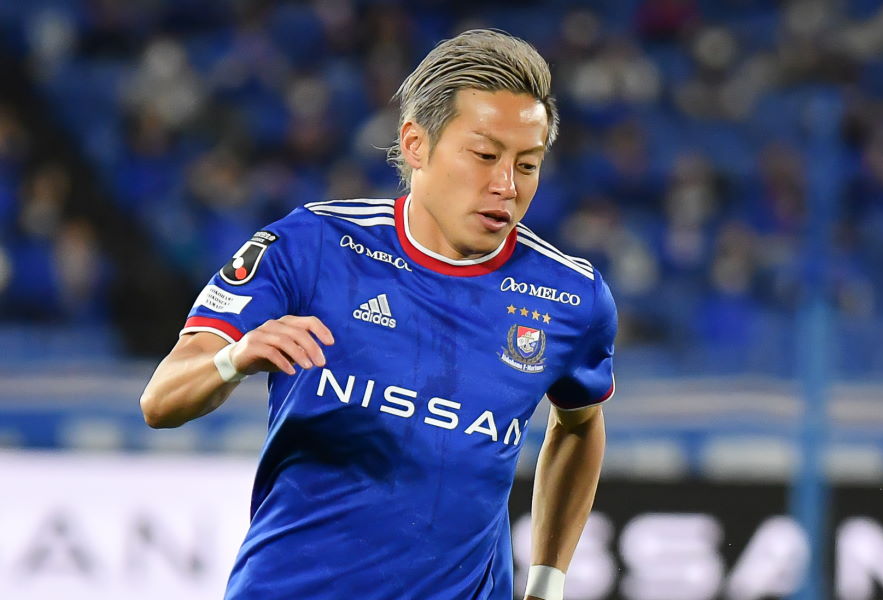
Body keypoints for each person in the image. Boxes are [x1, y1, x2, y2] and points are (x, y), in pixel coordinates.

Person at [140, 29, 617, 600]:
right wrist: (233, 359)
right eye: (485, 156)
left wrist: (547, 582)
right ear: (416, 144)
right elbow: (160, 401)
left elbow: (579, 424)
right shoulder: (312, 245)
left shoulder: (571, 297)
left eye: (528, 164)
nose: (505, 185)